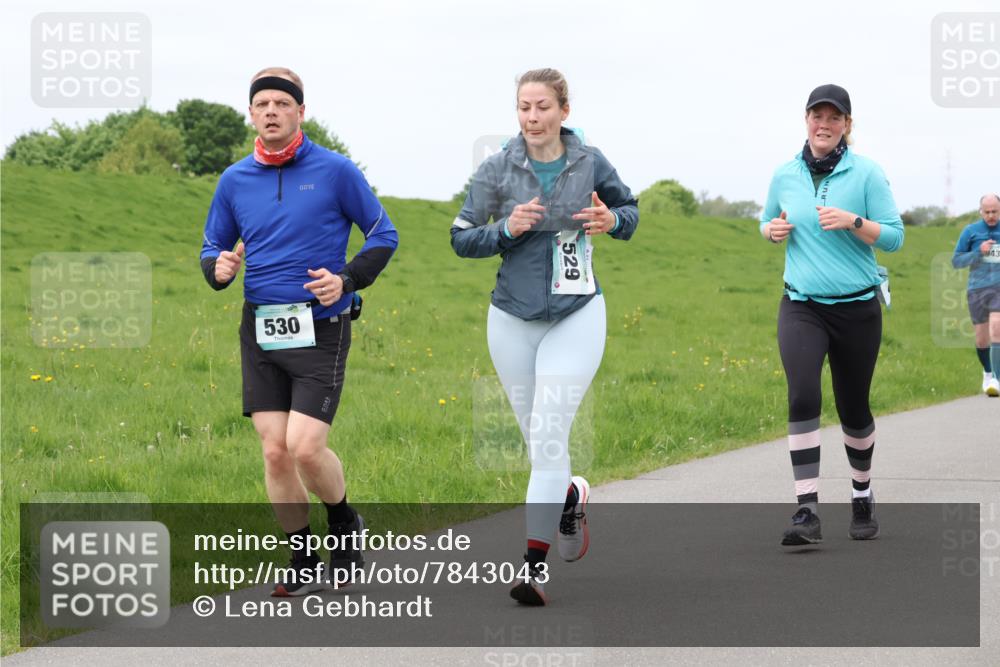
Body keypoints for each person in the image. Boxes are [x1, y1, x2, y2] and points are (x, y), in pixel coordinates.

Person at [199, 67, 398, 595]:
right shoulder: (234, 180)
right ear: (251, 113)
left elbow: (384, 232)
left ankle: (344, 524)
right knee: (274, 450)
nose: (270, 111)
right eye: (261, 103)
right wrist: (217, 270)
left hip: (321, 325)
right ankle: (304, 556)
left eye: (281, 104)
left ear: (300, 112)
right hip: (262, 327)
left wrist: (348, 280)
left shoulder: (335, 171)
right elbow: (211, 246)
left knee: (306, 446)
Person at [451, 68, 638, 605]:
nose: (532, 117)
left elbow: (629, 212)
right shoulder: (496, 168)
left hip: (578, 314)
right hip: (511, 317)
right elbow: (461, 237)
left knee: (550, 431)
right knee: (540, 445)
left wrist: (612, 220)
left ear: (563, 112)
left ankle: (533, 569)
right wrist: (505, 230)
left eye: (542, 107)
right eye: (524, 107)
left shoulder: (591, 162)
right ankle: (571, 493)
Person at [759, 84, 904, 547]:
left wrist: (854, 222)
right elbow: (766, 220)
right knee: (802, 395)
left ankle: (862, 493)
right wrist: (772, 230)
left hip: (858, 309)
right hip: (801, 304)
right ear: (806, 120)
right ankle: (807, 509)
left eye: (834, 118)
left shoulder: (867, 174)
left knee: (853, 409)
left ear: (847, 125)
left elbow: (895, 238)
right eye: (816, 116)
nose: (824, 124)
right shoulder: (785, 174)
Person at [951, 194, 1000, 397]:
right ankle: (988, 372)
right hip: (977, 290)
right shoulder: (971, 231)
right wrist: (979, 252)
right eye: (987, 212)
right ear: (980, 211)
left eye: (994, 211)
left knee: (997, 328)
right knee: (981, 339)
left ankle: (997, 379)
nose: (990, 215)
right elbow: (956, 261)